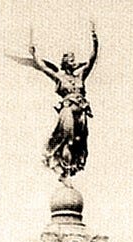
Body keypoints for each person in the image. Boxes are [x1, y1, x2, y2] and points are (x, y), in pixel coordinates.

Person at [22, 24, 99, 178]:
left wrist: (95, 41)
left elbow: (92, 60)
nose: (74, 62)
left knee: (79, 142)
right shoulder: (60, 77)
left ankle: (70, 170)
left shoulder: (81, 76)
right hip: (68, 109)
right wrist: (34, 54)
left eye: (74, 59)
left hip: (81, 111)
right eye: (71, 60)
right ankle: (64, 171)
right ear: (65, 63)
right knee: (67, 138)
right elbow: (44, 67)